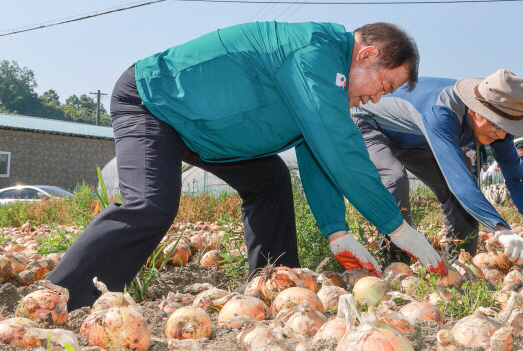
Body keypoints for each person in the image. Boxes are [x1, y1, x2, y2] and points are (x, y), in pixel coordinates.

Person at [46, 21, 447, 311]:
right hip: (155, 102)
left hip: (200, 130)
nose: (378, 99)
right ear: (368, 55)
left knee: (270, 179)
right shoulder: (314, 53)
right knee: (150, 204)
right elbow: (340, 145)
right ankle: (58, 297)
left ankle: (274, 285)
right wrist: (396, 226)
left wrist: (337, 232)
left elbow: (318, 153)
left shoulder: (328, 77)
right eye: (385, 86)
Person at [351, 69, 523, 263]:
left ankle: (460, 263)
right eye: (496, 125)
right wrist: (501, 230)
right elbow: (460, 182)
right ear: (475, 111)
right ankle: (395, 265)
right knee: (394, 177)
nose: (500, 135)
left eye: (507, 129)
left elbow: (515, 177)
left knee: (460, 200)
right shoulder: (442, 112)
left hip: (416, 139)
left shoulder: (501, 125)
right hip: (369, 122)